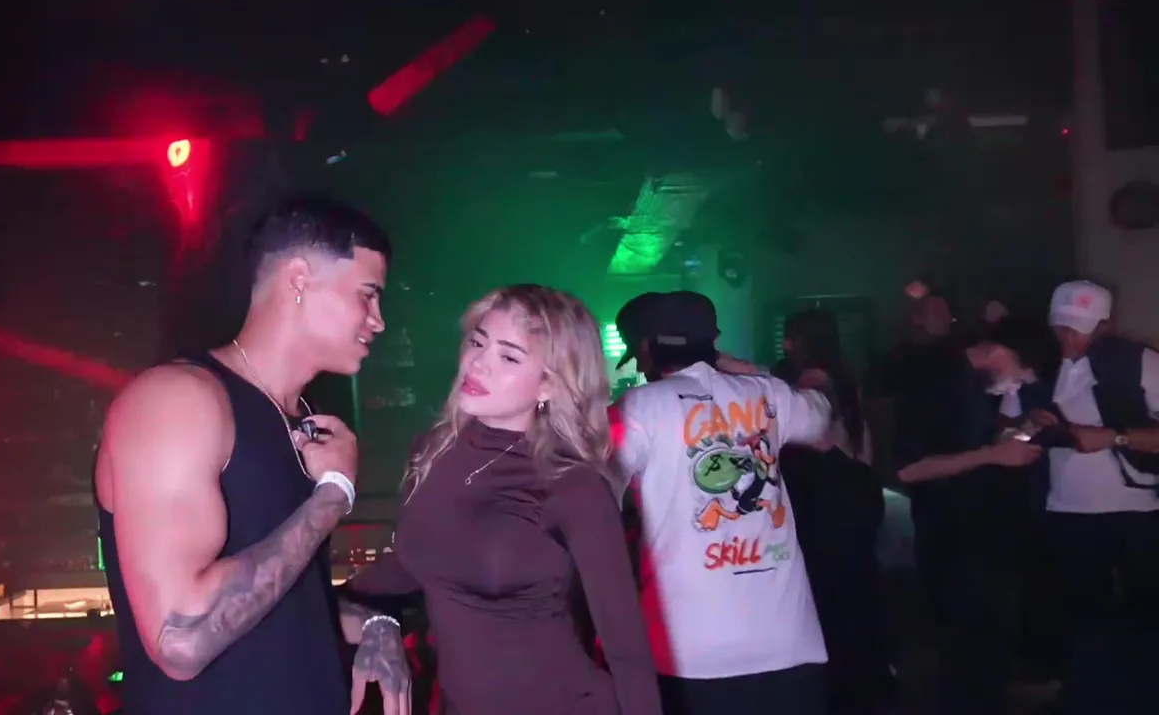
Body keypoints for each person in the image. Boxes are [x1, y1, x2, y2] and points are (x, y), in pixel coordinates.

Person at [93, 196, 410, 715]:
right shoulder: (178, 400)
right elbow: (181, 641)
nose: (378, 320)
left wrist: (373, 623)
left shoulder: (303, 420)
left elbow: (279, 598)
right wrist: (333, 496)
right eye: (367, 295)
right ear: (299, 279)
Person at [343, 284, 661, 715]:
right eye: (478, 343)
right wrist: (319, 599)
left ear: (549, 385)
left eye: (509, 357)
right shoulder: (431, 452)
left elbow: (626, 650)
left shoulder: (572, 485)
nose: (477, 363)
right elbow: (418, 562)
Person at [611, 290, 834, 715]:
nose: (639, 366)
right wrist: (753, 373)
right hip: (790, 647)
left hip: (691, 655)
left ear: (649, 348)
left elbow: (595, 497)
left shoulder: (636, 408)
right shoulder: (769, 394)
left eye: (638, 354)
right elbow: (822, 413)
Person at [894, 315, 1051, 715]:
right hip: (952, 543)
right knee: (967, 657)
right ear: (999, 352)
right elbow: (910, 469)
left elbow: (972, 447)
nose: (1017, 386)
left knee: (989, 653)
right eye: (1020, 375)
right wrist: (994, 454)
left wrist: (1018, 433)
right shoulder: (933, 381)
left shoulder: (975, 386)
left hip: (985, 541)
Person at [1015, 281, 1159, 701]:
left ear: (1105, 326)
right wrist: (1031, 427)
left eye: (1077, 328)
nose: (1066, 337)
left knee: (1147, 615)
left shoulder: (1140, 363)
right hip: (1066, 513)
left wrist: (1115, 437)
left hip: (1139, 511)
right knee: (1083, 621)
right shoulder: (1036, 367)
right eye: (1060, 326)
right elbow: (1011, 437)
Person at [772, 308, 891, 715]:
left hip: (832, 495)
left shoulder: (812, 381)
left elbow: (813, 441)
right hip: (855, 489)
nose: (785, 344)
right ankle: (867, 680)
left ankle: (844, 686)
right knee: (856, 585)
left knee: (832, 592)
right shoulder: (844, 376)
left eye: (790, 336)